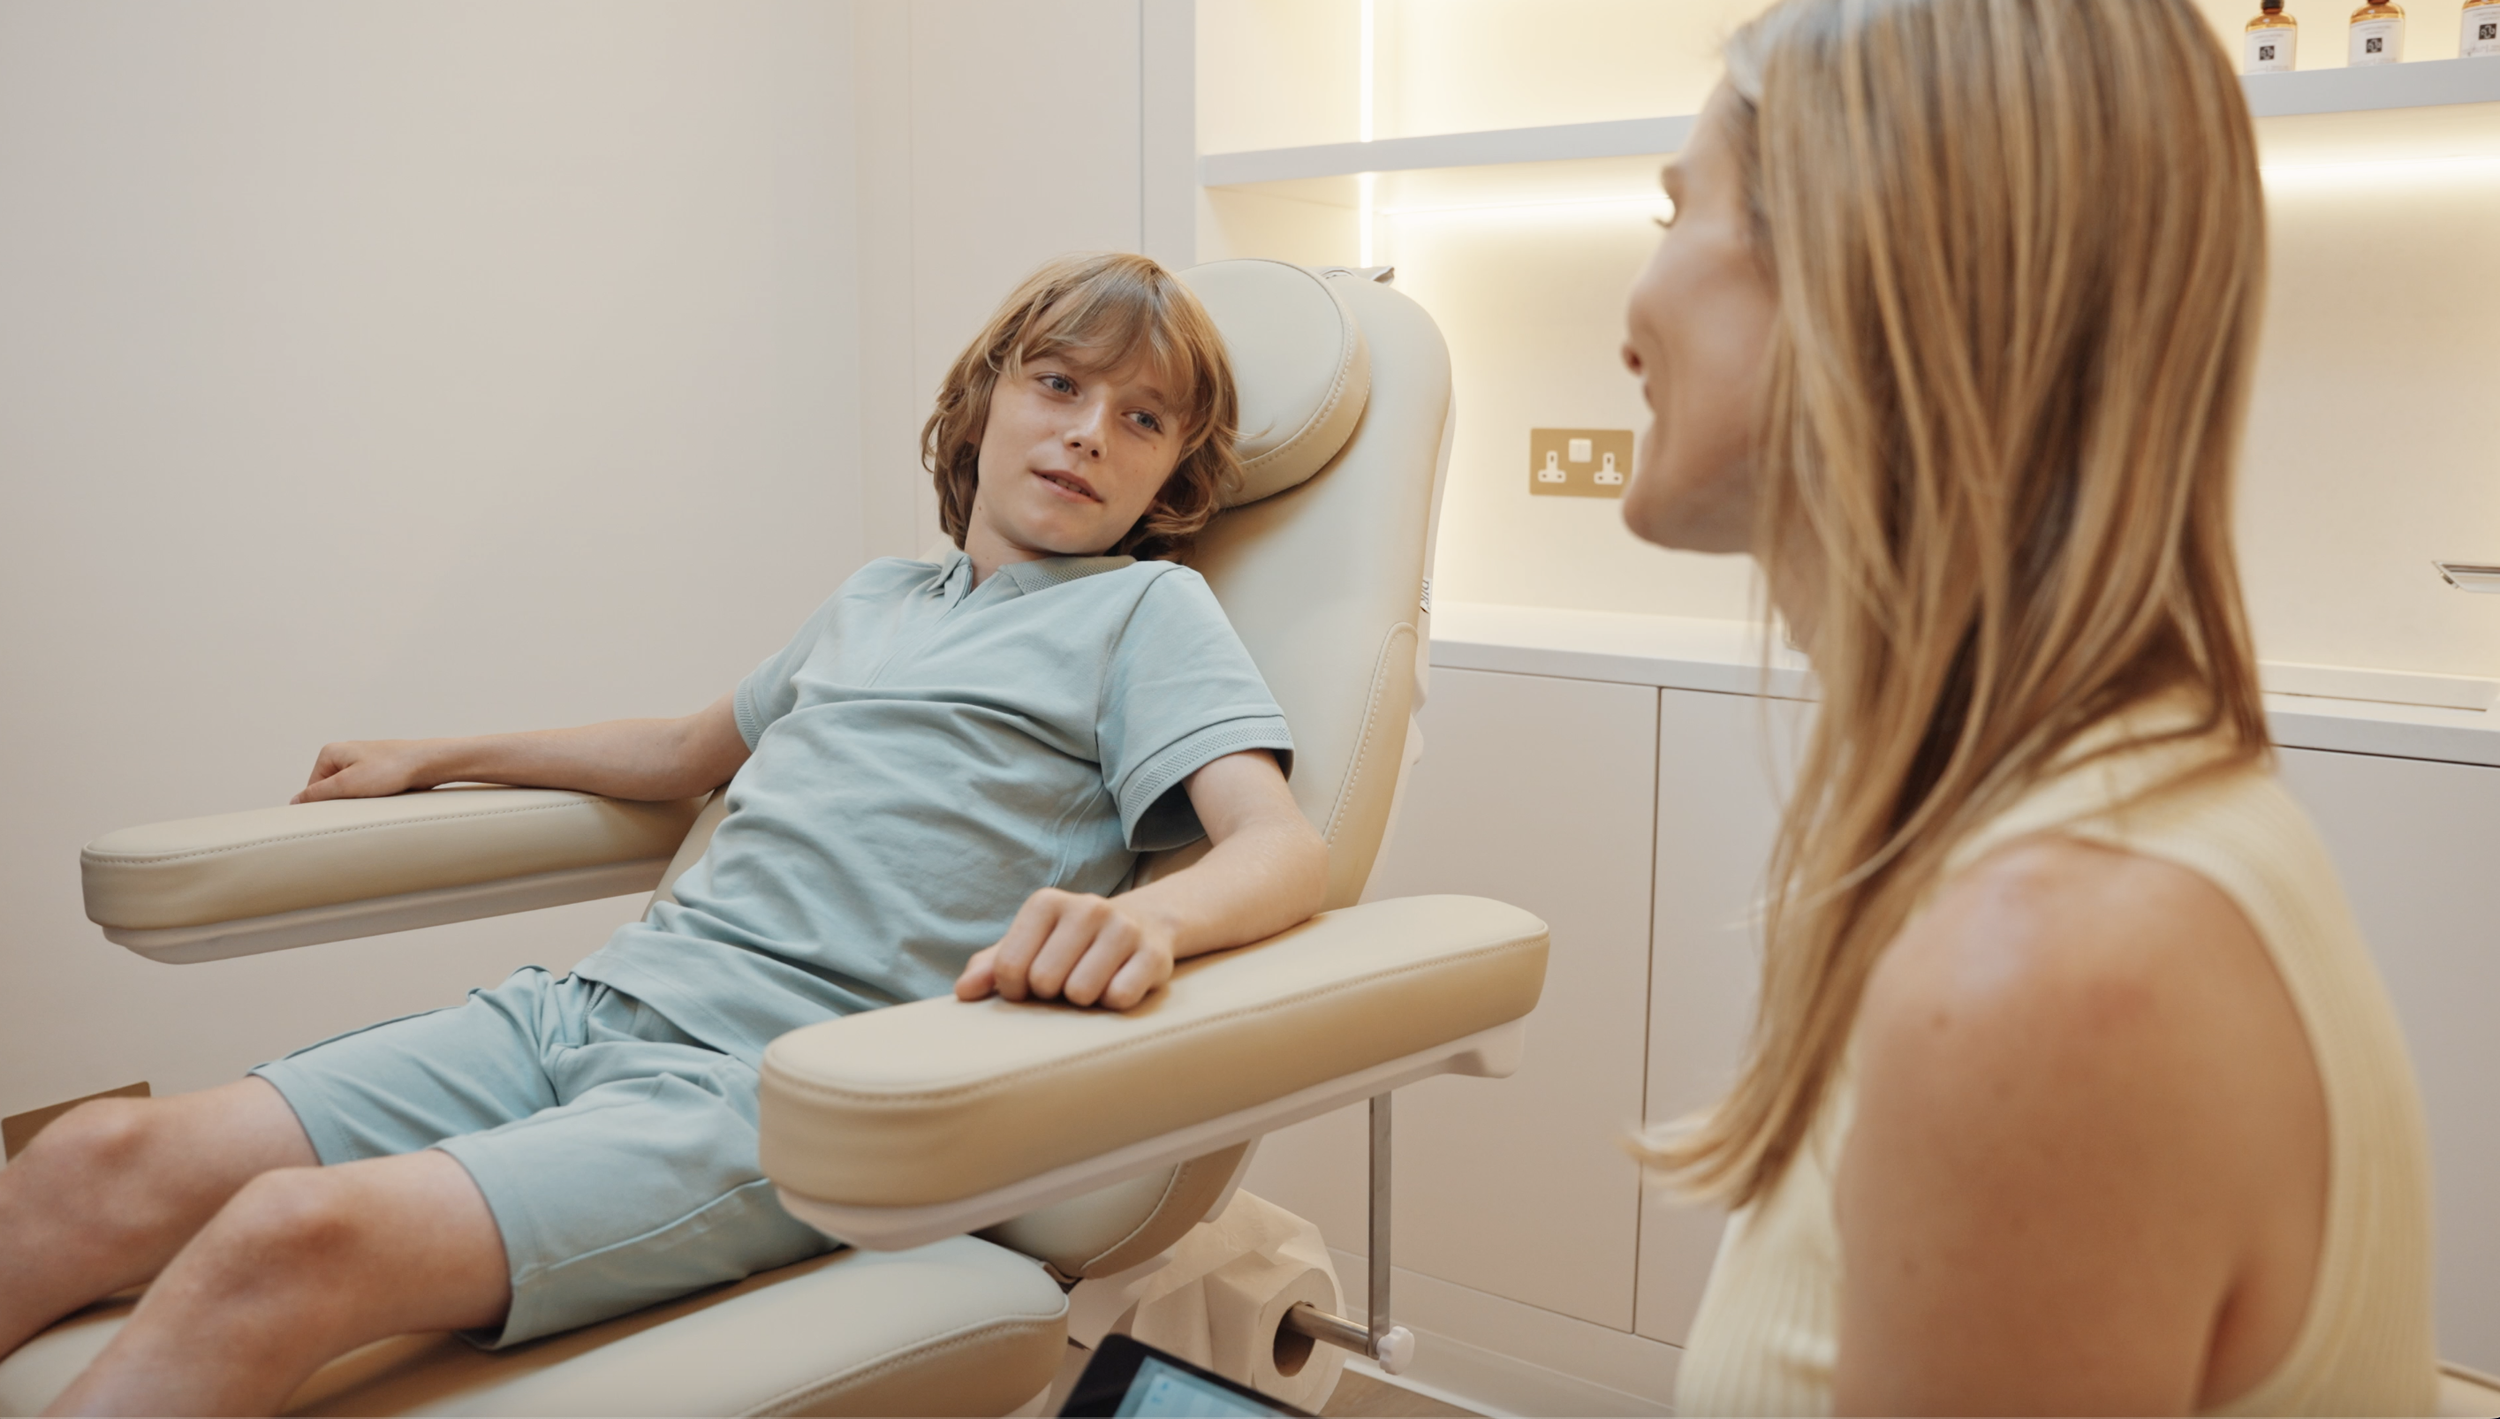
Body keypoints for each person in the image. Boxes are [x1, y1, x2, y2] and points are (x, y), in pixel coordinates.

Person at [0, 251, 1328, 1415]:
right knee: (86, 1158)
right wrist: (439, 752)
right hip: (580, 1009)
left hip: (772, 1092)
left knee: (287, 1236)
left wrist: (1147, 916)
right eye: (1059, 384)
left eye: (1141, 417)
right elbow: (686, 753)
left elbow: (1278, 847)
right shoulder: (875, 598)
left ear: (1171, 476)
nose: (1091, 431)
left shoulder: (1145, 617)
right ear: (982, 397)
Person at [1615, 1, 2436, 1413]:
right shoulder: (2078, 823)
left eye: (1678, 210)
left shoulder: (2045, 977)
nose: (1632, 311)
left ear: (1863, 267)